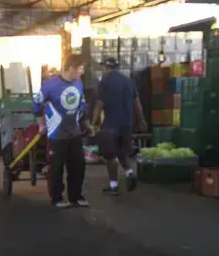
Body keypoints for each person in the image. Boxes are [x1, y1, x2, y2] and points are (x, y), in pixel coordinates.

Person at [35, 54, 92, 208]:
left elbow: (82, 106)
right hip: (55, 133)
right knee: (56, 167)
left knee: (78, 165)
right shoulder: (49, 85)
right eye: (80, 70)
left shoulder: (78, 83)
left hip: (74, 132)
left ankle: (76, 196)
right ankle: (57, 198)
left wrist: (87, 125)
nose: (81, 73)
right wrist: (41, 125)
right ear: (71, 68)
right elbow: (37, 105)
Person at [93, 58, 147, 195]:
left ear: (105, 67)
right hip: (127, 124)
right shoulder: (129, 81)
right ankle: (129, 173)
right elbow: (137, 103)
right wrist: (142, 120)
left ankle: (113, 186)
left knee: (109, 156)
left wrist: (92, 123)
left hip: (111, 124)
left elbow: (99, 104)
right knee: (122, 151)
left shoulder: (104, 82)